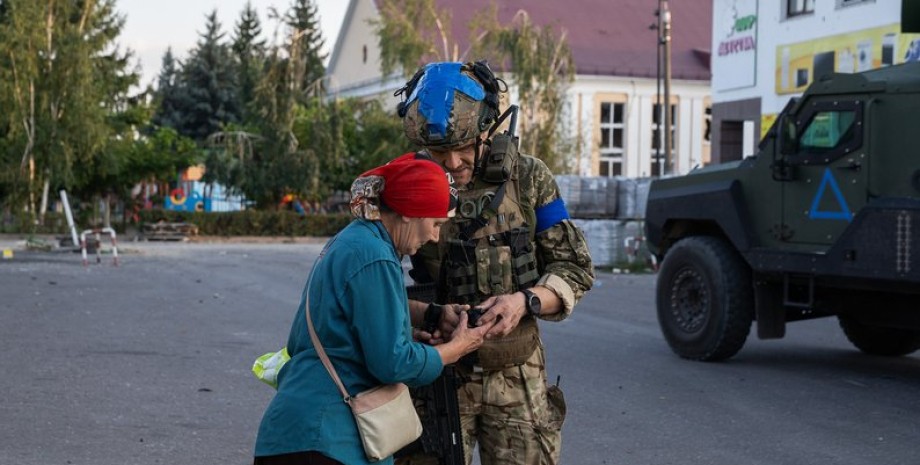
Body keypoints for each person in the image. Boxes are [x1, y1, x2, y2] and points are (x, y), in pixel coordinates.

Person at [395, 61, 595, 465]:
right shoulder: (410, 183)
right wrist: (422, 317)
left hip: (518, 381)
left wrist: (525, 301)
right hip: (439, 379)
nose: (451, 163)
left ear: (489, 130)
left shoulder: (528, 178)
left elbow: (574, 267)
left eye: (463, 147)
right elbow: (372, 280)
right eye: (439, 152)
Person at [253, 154, 495, 465]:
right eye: (435, 223)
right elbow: (394, 364)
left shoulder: (354, 240)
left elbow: (359, 313)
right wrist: (457, 348)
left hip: (297, 433)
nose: (435, 236)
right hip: (325, 439)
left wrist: (431, 314)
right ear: (409, 213)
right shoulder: (376, 255)